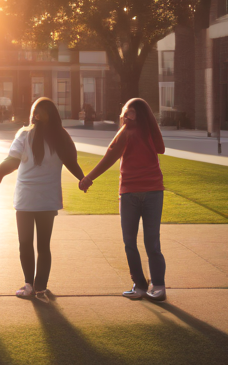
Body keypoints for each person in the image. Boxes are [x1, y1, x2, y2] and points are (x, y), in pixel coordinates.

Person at [0, 98, 85, 301]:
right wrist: (82, 179)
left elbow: (12, 161)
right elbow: (71, 162)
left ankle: (29, 286)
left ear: (34, 115)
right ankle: (40, 287)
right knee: (43, 246)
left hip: (26, 199)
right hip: (47, 199)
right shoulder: (60, 136)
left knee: (25, 244)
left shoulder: (25, 134)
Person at [79, 98, 166, 302]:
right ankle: (140, 285)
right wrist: (89, 178)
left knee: (152, 242)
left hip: (153, 192)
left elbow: (161, 148)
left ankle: (159, 285)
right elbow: (109, 157)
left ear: (141, 115)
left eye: (131, 113)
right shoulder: (124, 133)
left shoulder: (149, 132)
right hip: (129, 193)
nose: (125, 116)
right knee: (130, 242)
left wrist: (149, 125)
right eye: (124, 113)